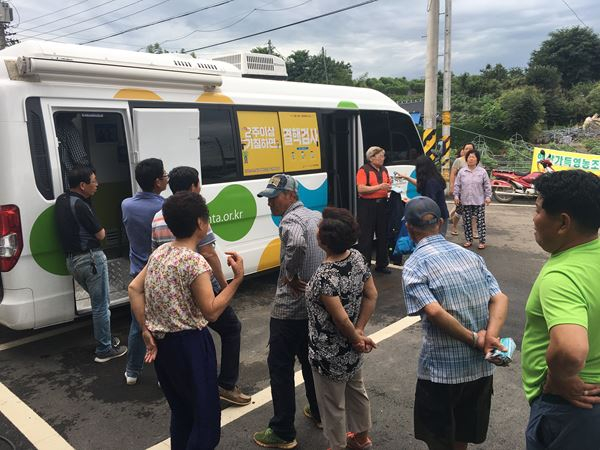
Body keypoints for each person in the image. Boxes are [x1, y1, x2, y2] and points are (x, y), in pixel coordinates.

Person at [128, 191, 244, 450]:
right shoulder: (195, 263)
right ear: (201, 224)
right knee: (205, 420)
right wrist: (236, 280)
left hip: (163, 347)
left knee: (181, 413)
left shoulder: (160, 253)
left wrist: (145, 329)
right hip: (191, 345)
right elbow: (212, 311)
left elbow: (134, 289)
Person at [401, 196, 509, 450]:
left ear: (409, 227)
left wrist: (475, 339)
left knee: (439, 440)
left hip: (442, 373)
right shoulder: (468, 254)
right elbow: (499, 297)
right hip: (480, 370)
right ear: (440, 223)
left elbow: (435, 313)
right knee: (463, 435)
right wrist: (488, 338)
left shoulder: (415, 265)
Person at [151, 166, 251, 406]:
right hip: (200, 283)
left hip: (173, 290)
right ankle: (226, 384)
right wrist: (229, 283)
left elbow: (153, 253)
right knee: (229, 328)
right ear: (194, 186)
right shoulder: (195, 215)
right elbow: (209, 253)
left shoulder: (158, 215)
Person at [521, 170, 600, 450]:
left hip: (571, 408)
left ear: (563, 222)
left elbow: (570, 349)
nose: (534, 218)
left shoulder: (562, 276)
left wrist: (559, 378)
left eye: (538, 209)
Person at [253, 174, 324, 449]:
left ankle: (283, 431)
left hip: (289, 309)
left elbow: (295, 244)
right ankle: (319, 412)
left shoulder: (291, 220)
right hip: (314, 305)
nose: (270, 203)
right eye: (269, 198)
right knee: (309, 361)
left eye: (275, 197)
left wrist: (291, 275)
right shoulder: (314, 216)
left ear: (291, 195)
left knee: (280, 368)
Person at [306, 207, 378, 450]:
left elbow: (340, 319)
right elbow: (371, 295)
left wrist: (355, 336)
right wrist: (359, 332)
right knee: (357, 392)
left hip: (329, 352)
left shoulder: (324, 275)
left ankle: (336, 446)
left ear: (323, 241)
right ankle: (361, 438)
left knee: (332, 405)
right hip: (352, 350)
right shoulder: (356, 257)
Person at [55, 165, 127, 362]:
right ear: (82, 185)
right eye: (94, 181)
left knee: (99, 304)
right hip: (90, 259)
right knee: (101, 305)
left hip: (72, 261)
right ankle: (104, 350)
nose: (97, 185)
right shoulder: (81, 205)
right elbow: (101, 234)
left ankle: (107, 339)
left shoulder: (62, 200)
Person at [122, 158, 168, 385]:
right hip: (157, 274)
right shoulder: (164, 207)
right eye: (165, 175)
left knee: (138, 324)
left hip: (136, 274)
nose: (167, 178)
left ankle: (132, 371)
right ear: (158, 182)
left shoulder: (126, 205)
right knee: (162, 326)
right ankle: (163, 376)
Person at [356, 146, 392, 274]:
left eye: (383, 156)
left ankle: (382, 264)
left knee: (383, 235)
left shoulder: (384, 169)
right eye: (380, 156)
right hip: (367, 205)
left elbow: (386, 185)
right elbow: (361, 189)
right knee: (366, 235)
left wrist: (388, 187)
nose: (383, 158)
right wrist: (379, 187)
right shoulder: (363, 170)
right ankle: (364, 267)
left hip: (382, 204)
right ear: (372, 157)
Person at [398, 154, 450, 236]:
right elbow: (419, 184)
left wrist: (413, 202)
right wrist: (406, 177)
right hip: (440, 215)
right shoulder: (432, 178)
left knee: (435, 241)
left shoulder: (431, 183)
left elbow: (429, 202)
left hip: (436, 217)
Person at [453, 149, 492, 249]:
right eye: (469, 157)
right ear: (466, 159)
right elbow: (457, 185)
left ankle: (482, 241)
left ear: (477, 159)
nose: (471, 159)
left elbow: (487, 185)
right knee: (466, 221)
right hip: (465, 201)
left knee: (480, 221)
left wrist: (488, 197)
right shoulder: (462, 171)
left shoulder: (482, 172)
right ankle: (468, 240)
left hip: (479, 201)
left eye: (473, 157)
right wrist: (456, 196)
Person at [55, 113, 90, 191]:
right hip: (71, 183)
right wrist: (91, 173)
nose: (76, 114)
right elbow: (79, 159)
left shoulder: (54, 126)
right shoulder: (68, 128)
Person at [448, 143, 476, 237]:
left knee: (474, 212)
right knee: (459, 211)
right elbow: (453, 174)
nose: (468, 150)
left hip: (474, 191)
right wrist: (452, 186)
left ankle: (473, 230)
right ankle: (454, 226)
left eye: (470, 149)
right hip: (460, 190)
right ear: (463, 150)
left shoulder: (477, 161)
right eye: (466, 149)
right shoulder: (458, 161)